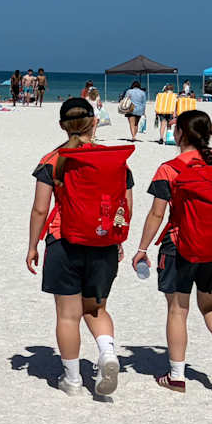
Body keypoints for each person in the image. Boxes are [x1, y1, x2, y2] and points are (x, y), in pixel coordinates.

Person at [130, 111, 212, 394]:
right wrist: (203, 127)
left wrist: (142, 248)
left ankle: (177, 376)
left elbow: (157, 214)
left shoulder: (169, 168)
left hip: (180, 245)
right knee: (210, 307)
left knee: (178, 310)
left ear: (179, 133)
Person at [25, 98, 133, 396]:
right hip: (103, 241)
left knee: (67, 315)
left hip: (64, 240)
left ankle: (72, 380)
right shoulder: (114, 159)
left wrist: (32, 245)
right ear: (94, 122)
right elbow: (126, 205)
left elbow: (39, 209)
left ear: (62, 125)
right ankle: (107, 353)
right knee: (96, 309)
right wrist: (118, 239)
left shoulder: (53, 159)